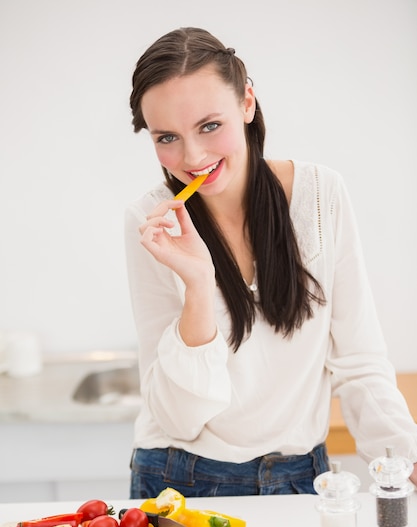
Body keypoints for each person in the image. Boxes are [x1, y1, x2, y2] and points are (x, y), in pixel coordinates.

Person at [124, 26, 417, 499]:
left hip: (302, 476)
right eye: (167, 137)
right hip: (181, 479)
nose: (192, 156)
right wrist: (199, 284)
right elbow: (177, 416)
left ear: (247, 104)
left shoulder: (322, 196)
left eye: (209, 125)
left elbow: (359, 361)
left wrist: (405, 458)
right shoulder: (151, 222)